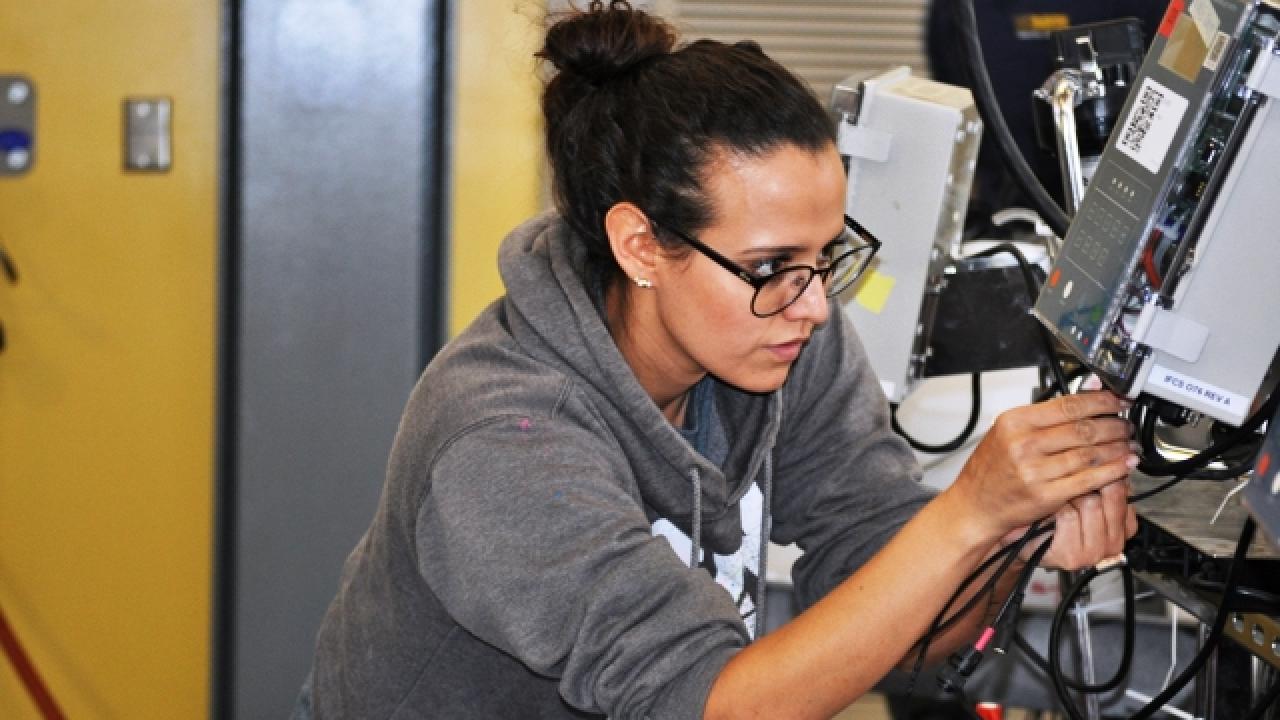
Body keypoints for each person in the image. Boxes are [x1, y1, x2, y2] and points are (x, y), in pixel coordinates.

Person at [294, 3, 1138, 718]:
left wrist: (1005, 533)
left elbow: (888, 595)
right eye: (772, 267)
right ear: (640, 246)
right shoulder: (503, 439)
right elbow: (712, 703)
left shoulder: (779, 330)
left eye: (826, 256)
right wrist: (966, 517)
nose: (813, 303)